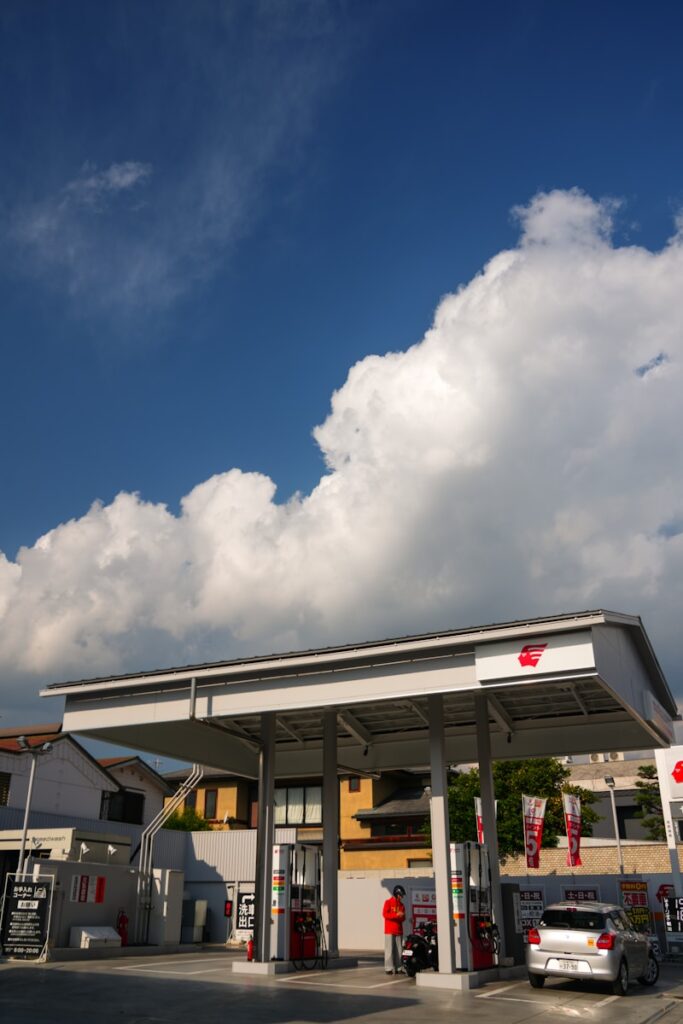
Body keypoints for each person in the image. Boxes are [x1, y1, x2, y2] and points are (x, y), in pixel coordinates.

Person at [383, 884, 406, 974]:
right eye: (401, 895)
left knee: (399, 950)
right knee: (389, 950)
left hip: (399, 930)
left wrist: (400, 916)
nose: (402, 897)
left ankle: (398, 968)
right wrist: (396, 915)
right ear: (397, 894)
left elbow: (403, 918)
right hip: (389, 930)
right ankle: (388, 968)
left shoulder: (402, 905)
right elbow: (385, 915)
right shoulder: (388, 902)